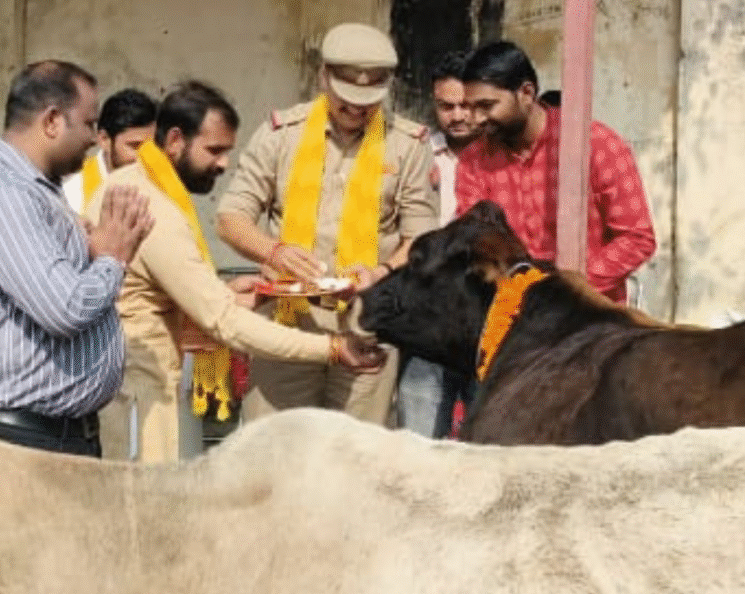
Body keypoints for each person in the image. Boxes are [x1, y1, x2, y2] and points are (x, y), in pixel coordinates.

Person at [87, 80, 387, 463]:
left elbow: (154, 290)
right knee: (142, 497)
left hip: (128, 380)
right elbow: (224, 322)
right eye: (214, 150)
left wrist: (224, 293)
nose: (224, 164)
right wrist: (332, 348)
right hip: (137, 392)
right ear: (175, 140)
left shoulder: (128, 184)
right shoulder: (151, 206)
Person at [216, 23, 439, 426]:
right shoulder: (280, 135)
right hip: (288, 321)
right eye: (346, 99)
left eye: (367, 101)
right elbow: (230, 218)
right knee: (277, 445)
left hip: (367, 320)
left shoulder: (408, 144)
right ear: (323, 77)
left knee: (357, 449)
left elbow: (420, 237)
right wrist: (275, 252)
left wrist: (381, 272)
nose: (356, 110)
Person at [0, 60, 153, 459]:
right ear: (52, 121)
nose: (94, 139)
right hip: (20, 443)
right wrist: (112, 258)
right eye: (88, 124)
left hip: (54, 439)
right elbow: (65, 310)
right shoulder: (4, 196)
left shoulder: (34, 190)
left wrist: (92, 252)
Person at [456, 39, 656, 303]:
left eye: (486, 106)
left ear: (526, 93)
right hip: (509, 310)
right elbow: (474, 240)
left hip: (589, 310)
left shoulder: (597, 144)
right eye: (470, 108)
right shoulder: (473, 160)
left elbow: (636, 237)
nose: (476, 119)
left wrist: (565, 288)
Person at [397, 51, 481, 437]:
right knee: (418, 433)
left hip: (487, 312)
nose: (457, 116)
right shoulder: (416, 154)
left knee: (489, 436)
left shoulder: (503, 158)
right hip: (427, 311)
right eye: (447, 106)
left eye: (467, 105)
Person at [62, 87, 157, 213]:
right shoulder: (73, 196)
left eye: (151, 147)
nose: (145, 156)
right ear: (104, 140)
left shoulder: (160, 183)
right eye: (135, 146)